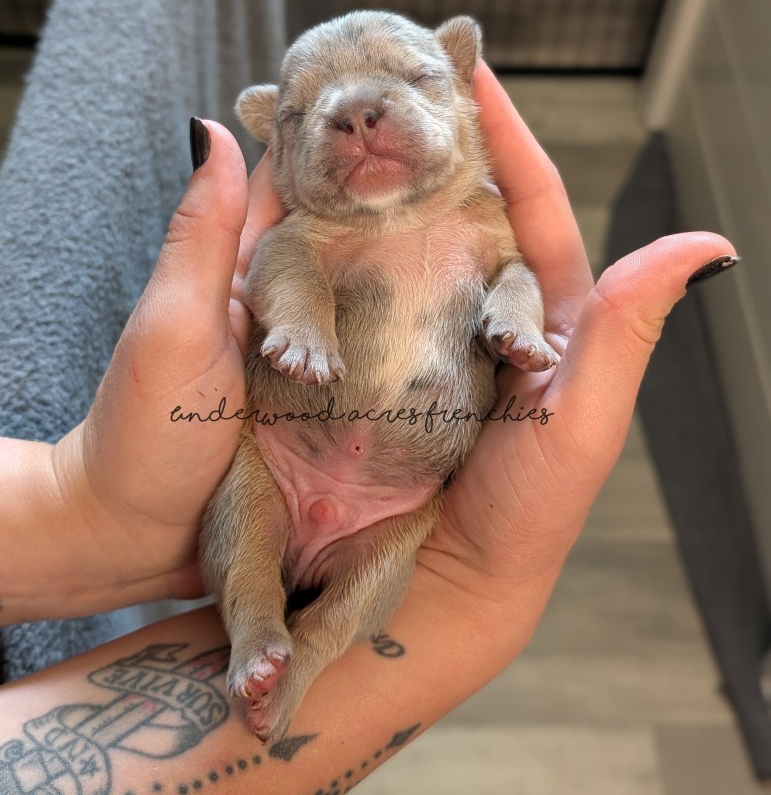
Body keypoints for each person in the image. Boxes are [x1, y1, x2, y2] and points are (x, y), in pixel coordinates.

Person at [0, 62, 737, 791]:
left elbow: (517, 274)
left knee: (375, 574)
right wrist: (302, 323)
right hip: (279, 459)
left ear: (461, 102)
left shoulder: (486, 220)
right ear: (277, 142)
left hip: (398, 502)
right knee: (244, 532)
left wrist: (515, 314)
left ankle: (304, 662)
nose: (355, 111)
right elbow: (278, 264)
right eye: (302, 113)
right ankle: (256, 633)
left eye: (413, 79)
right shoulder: (311, 228)